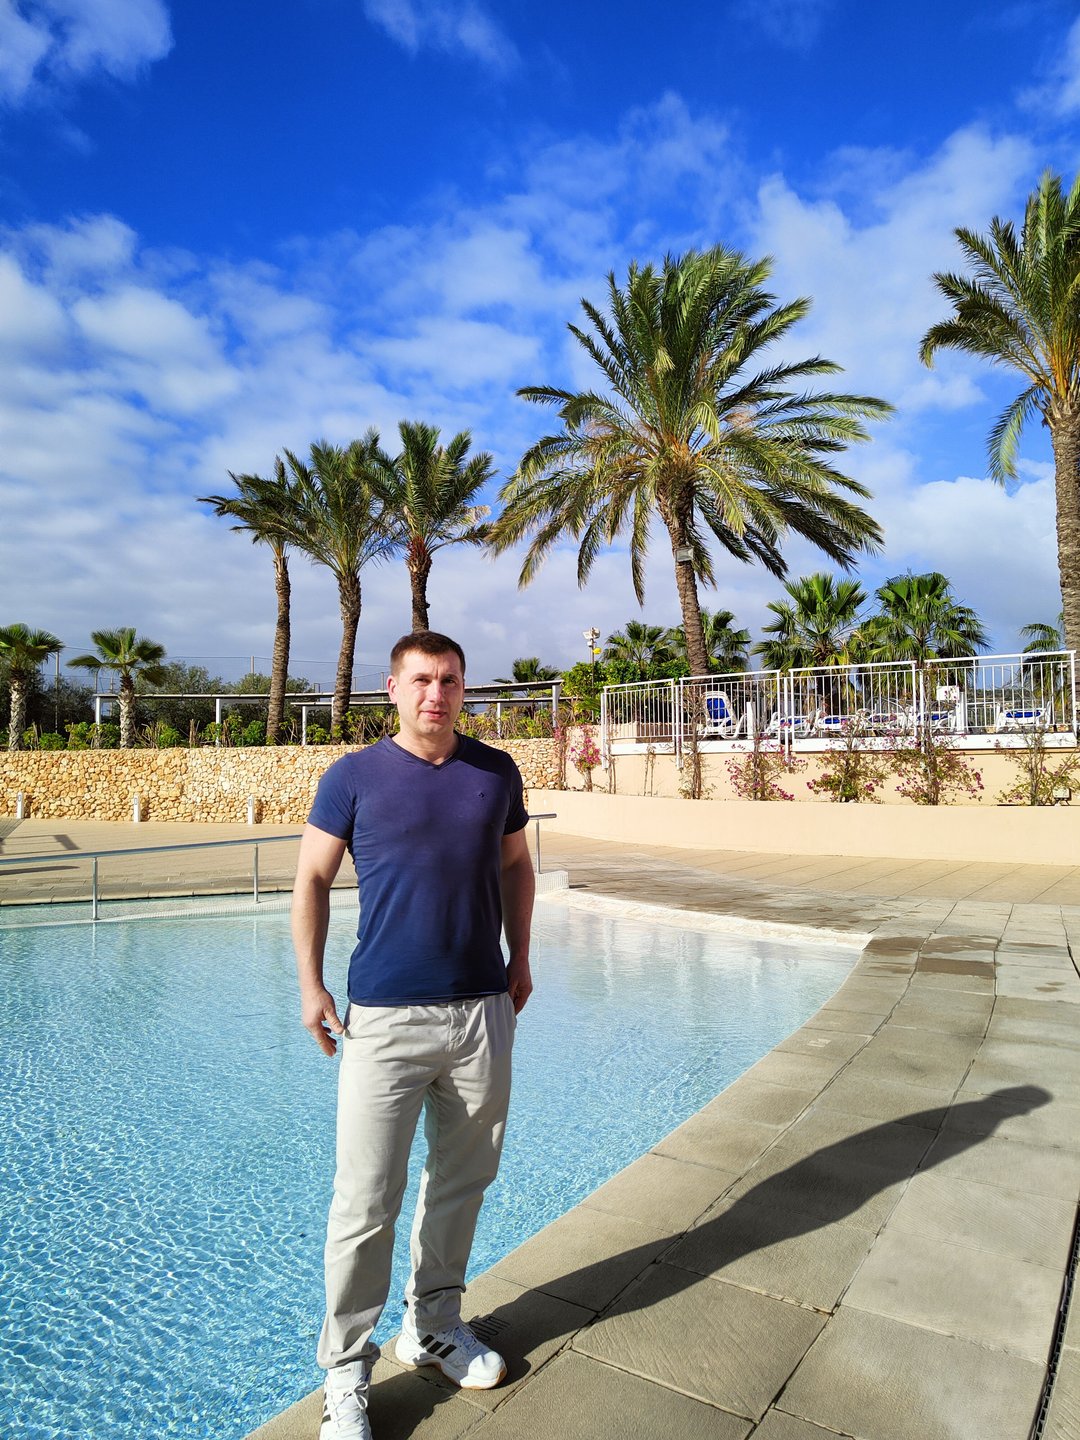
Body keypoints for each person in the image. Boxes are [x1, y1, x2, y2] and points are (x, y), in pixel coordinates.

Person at [292, 630, 535, 1440]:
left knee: (463, 1180)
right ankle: (345, 1374)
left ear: (465, 688)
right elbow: (313, 877)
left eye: (451, 680)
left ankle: (432, 1327)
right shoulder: (353, 777)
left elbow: (516, 865)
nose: (437, 694)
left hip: (480, 1011)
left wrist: (521, 956)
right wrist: (311, 984)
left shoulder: (495, 771)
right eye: (422, 680)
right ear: (393, 688)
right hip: (386, 1019)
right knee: (365, 1200)